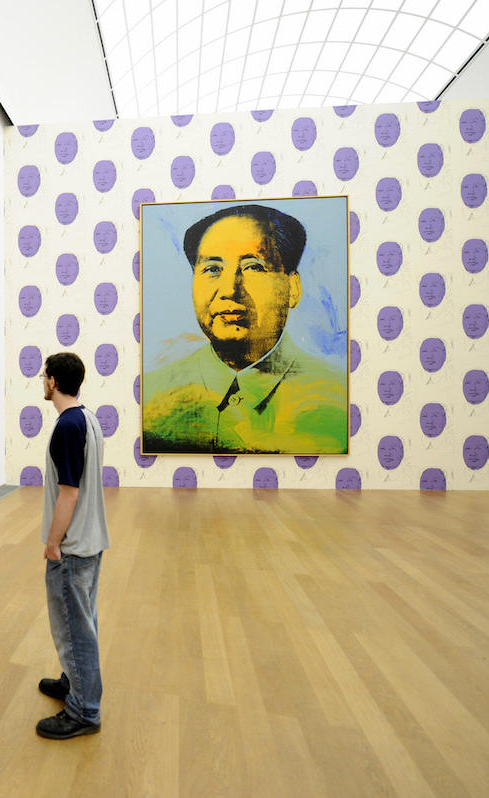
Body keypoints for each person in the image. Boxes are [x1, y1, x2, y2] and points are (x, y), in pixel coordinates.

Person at [142, 204, 347, 454]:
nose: (230, 289)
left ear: (292, 288)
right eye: (213, 269)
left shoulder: (337, 401)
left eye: (253, 267)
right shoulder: (151, 398)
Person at [35, 352, 110, 740]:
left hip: (73, 548)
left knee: (73, 628)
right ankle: (73, 682)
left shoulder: (67, 426)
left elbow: (68, 494)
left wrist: (52, 543)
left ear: (53, 383)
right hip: (92, 541)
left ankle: (84, 710)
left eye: (44, 375)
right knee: (83, 621)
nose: (41, 380)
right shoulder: (89, 419)